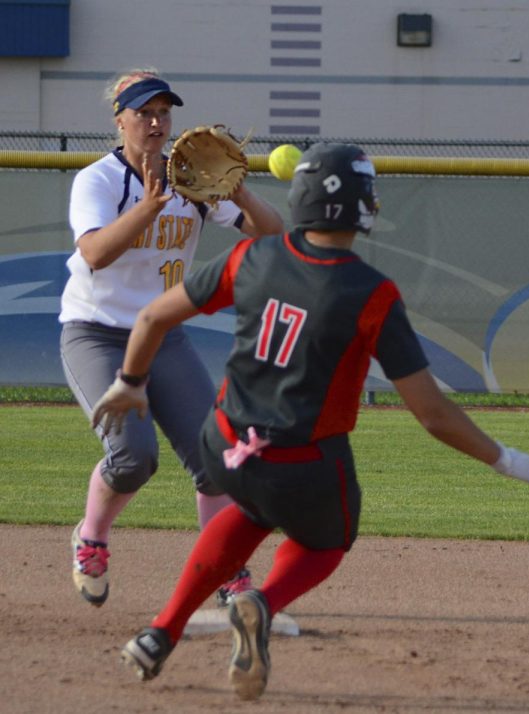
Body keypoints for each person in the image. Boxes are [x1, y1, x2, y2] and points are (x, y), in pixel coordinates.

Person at [90, 142, 529, 700]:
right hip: (301, 465)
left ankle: (158, 632)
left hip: (225, 442)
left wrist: (130, 382)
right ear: (363, 206)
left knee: (253, 508)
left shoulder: (254, 257)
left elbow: (152, 315)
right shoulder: (371, 293)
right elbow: (431, 414)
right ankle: (259, 603)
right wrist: (501, 457)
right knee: (326, 540)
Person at [61, 68, 285, 609]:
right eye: (144, 113)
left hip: (164, 334)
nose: (156, 122)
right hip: (97, 335)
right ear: (120, 121)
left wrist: (239, 191)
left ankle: (226, 570)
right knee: (134, 458)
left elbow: (271, 235)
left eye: (164, 112)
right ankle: (91, 537)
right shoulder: (98, 180)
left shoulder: (192, 176)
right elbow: (94, 254)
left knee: (216, 459)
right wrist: (148, 206)